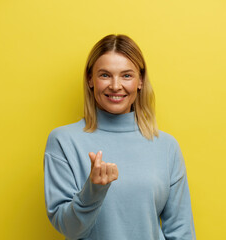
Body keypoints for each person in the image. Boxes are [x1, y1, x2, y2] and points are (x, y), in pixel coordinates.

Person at [43, 34, 196, 240]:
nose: (115, 86)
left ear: (140, 81)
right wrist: (93, 191)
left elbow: (181, 231)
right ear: (90, 79)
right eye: (105, 75)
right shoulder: (63, 141)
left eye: (126, 75)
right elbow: (69, 229)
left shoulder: (166, 146)